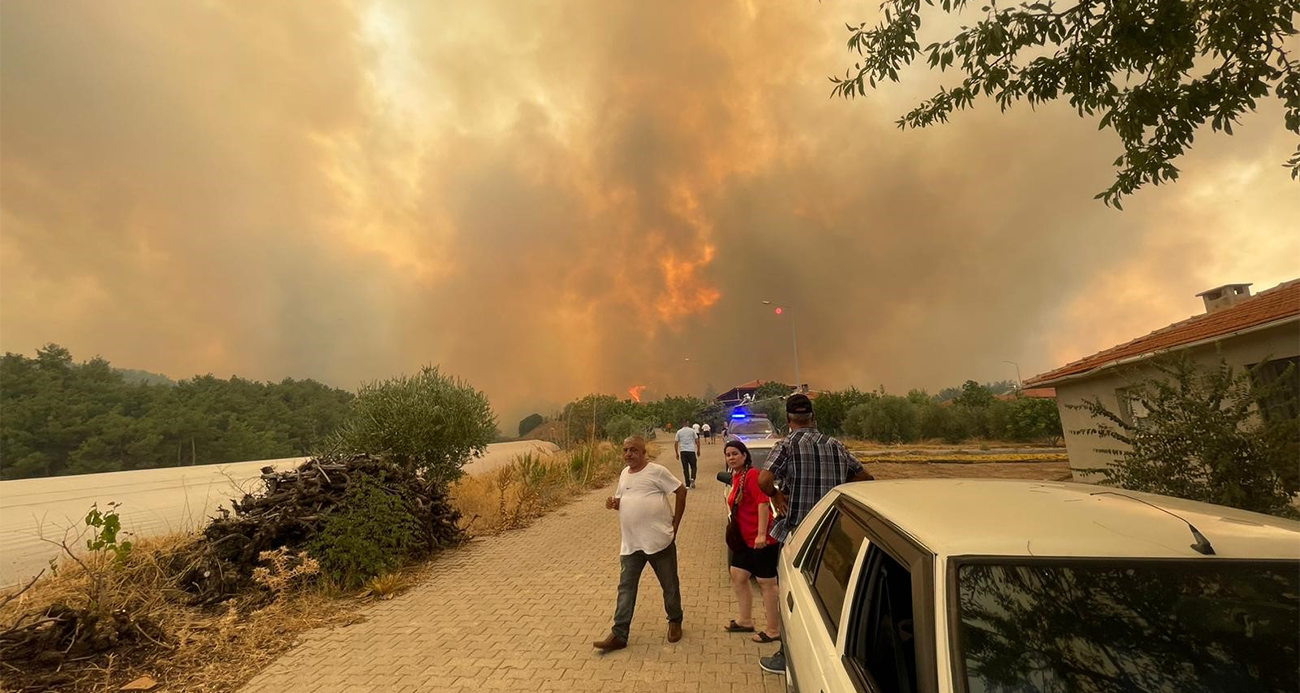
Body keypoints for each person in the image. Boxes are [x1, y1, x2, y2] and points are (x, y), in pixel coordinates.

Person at [755, 394, 873, 674]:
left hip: (799, 534)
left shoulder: (787, 445)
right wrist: (840, 493)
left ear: (788, 420)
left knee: (792, 595)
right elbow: (865, 477)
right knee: (831, 596)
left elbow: (763, 479)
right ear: (813, 417)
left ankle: (787, 656)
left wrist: (776, 495)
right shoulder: (835, 445)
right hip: (832, 531)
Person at [594, 436, 688, 651]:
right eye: (625, 450)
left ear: (644, 452)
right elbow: (623, 503)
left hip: (659, 541)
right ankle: (619, 634)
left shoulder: (657, 471)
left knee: (669, 585)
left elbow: (681, 491)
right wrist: (613, 504)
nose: (629, 454)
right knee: (626, 588)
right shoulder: (624, 474)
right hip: (631, 544)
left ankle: (675, 620)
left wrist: (676, 523)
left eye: (634, 450)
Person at [720, 440, 780, 643]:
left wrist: (762, 534)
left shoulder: (753, 475)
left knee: (766, 583)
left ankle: (773, 630)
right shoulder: (737, 477)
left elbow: (763, 504)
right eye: (728, 455)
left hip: (762, 540)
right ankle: (745, 620)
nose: (731, 457)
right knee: (738, 574)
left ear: (745, 456)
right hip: (744, 540)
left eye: (735, 453)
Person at [674, 423, 700, 489]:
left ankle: (687, 484)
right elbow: (697, 441)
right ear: (688, 423)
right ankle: (693, 477)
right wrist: (698, 450)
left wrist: (677, 453)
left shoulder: (679, 432)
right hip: (691, 451)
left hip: (683, 451)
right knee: (693, 466)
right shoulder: (692, 431)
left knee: (685, 468)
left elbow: (676, 443)